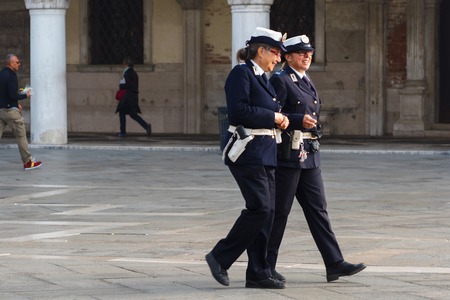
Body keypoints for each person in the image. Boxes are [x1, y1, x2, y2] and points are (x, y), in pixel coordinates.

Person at [268, 35, 366, 282]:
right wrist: (297, 120)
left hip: (309, 154)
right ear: (287, 56)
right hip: (288, 155)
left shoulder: (306, 79)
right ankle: (265, 266)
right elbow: (272, 114)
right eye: (301, 52)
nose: (307, 56)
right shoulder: (281, 80)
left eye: (309, 52)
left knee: (318, 210)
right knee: (279, 212)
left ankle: (334, 263)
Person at [205, 27, 289, 289]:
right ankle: (220, 256)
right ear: (261, 50)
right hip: (247, 151)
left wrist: (281, 119)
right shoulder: (241, 73)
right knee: (260, 208)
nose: (278, 59)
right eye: (276, 53)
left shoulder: (262, 78)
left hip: (266, 151)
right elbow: (238, 111)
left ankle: (258, 271)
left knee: (269, 211)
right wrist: (273, 117)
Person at [0, 54, 42, 171]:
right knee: (21, 136)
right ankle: (28, 162)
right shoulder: (11, 75)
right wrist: (25, 95)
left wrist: (15, 103)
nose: (19, 64)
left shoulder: (1, 74)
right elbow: (13, 94)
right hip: (10, 112)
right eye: (17, 62)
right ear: (10, 63)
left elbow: (4, 94)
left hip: (1, 110)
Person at [115, 57, 151, 137]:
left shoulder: (127, 73)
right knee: (133, 114)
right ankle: (146, 126)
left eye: (123, 64)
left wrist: (121, 85)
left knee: (122, 112)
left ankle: (123, 132)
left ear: (126, 64)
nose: (123, 65)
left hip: (128, 97)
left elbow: (126, 84)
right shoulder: (133, 73)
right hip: (133, 96)